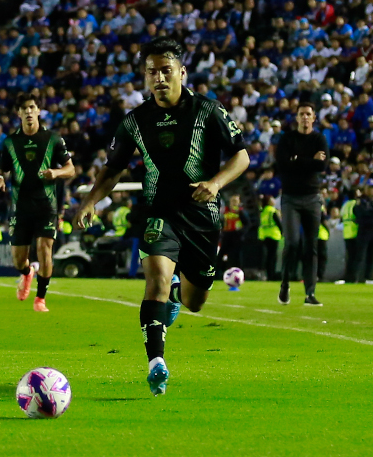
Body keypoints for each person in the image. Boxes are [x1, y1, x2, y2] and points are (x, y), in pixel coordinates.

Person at [73, 37, 249, 396]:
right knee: (155, 281)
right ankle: (156, 362)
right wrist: (90, 200)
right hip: (159, 212)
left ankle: (176, 294)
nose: (159, 78)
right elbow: (113, 168)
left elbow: (241, 156)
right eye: (152, 72)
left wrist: (215, 183)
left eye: (166, 70)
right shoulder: (135, 121)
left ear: (182, 72)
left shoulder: (208, 111)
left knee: (195, 302)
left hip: (202, 216)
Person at [0, 92, 76, 312]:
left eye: (32, 107)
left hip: (46, 206)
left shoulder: (53, 139)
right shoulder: (10, 142)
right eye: (24, 108)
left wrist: (56, 173)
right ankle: (27, 273)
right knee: (19, 260)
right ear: (18, 113)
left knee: (44, 248)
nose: (29, 112)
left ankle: (40, 298)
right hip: (20, 207)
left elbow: (71, 169)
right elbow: (4, 169)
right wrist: (0, 178)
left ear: (38, 111)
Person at [275, 102, 328, 306]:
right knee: (292, 243)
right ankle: (285, 283)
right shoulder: (287, 139)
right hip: (291, 198)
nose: (305, 117)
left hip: (313, 197)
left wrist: (297, 160)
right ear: (296, 118)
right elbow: (283, 165)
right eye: (301, 114)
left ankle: (310, 293)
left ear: (314, 118)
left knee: (311, 245)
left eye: (308, 114)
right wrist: (310, 161)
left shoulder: (319, 139)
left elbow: (322, 165)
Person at [347, 181, 373, 284]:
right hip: (364, 230)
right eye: (369, 187)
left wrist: (370, 211)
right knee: (360, 255)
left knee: (372, 256)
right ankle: (354, 278)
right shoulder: (361, 200)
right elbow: (360, 212)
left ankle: (368, 278)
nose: (371, 190)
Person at [257, 195, 282, 280]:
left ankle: (267, 274)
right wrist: (283, 232)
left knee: (266, 257)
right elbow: (278, 222)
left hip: (264, 235)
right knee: (273, 257)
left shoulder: (262, 211)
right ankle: (272, 275)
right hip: (273, 235)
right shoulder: (272, 210)